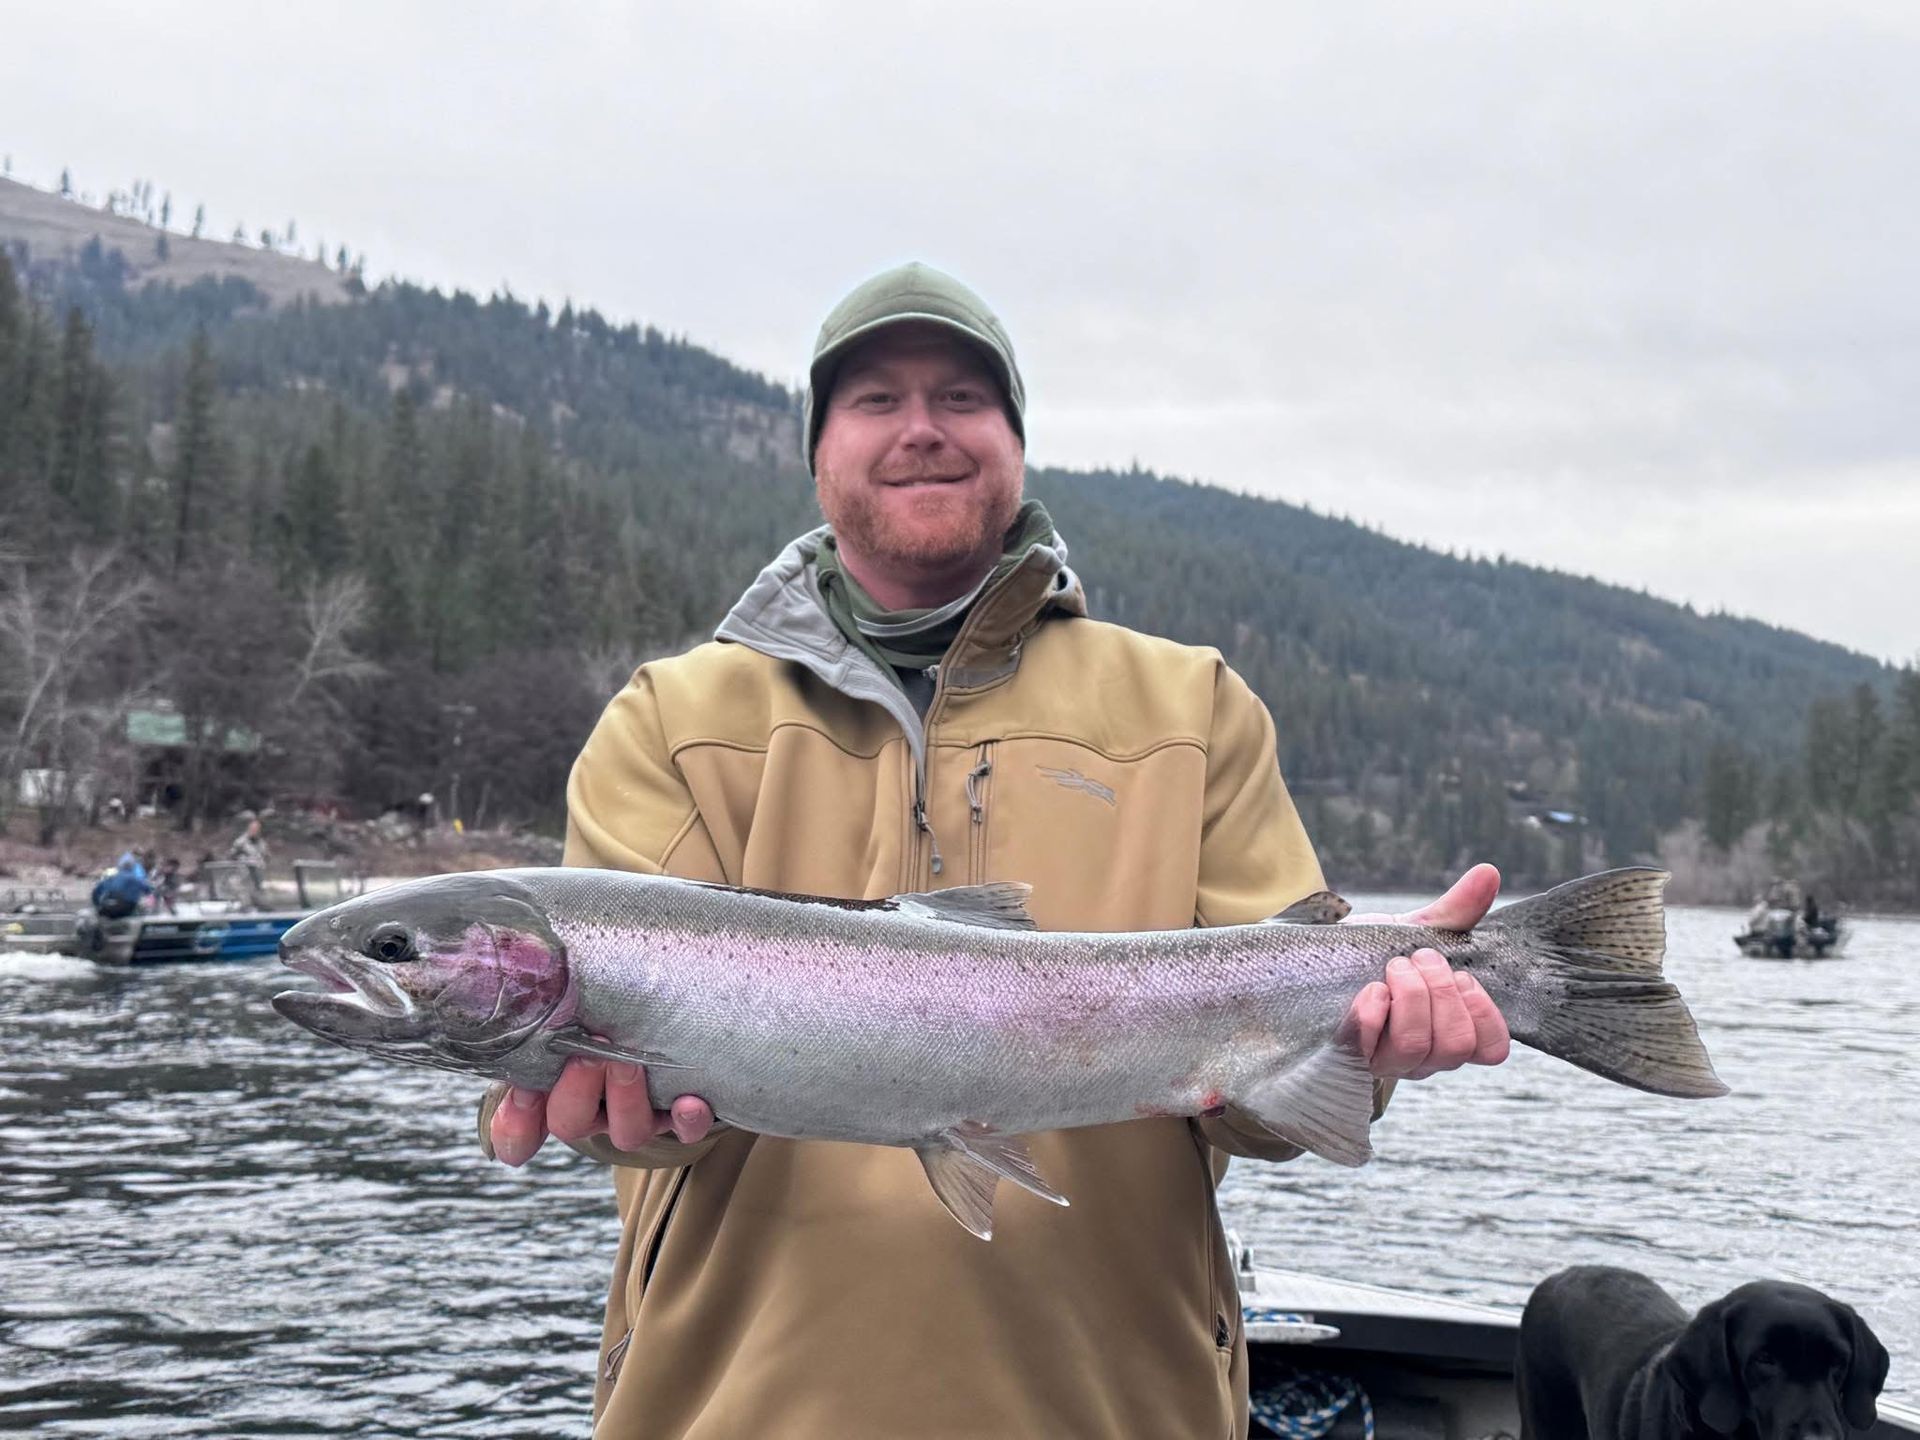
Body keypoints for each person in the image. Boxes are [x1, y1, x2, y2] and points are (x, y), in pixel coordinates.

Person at [482, 263, 1512, 1439]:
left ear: (1016, 440)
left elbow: (1267, 1115)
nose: (921, 430)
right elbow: (601, 1100)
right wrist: (602, 1117)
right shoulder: (668, 721)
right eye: (874, 399)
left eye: (963, 397)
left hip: (1118, 1411)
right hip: (729, 1409)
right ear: (816, 452)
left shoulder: (1191, 705)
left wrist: (1373, 1048)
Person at [90, 852, 151, 921]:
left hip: (108, 910)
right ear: (132, 867)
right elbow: (148, 890)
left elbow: (95, 892)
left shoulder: (111, 878)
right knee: (140, 908)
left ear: (120, 867)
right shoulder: (135, 879)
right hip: (126, 911)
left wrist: (97, 905)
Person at [228, 814, 268, 900]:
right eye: (253, 829)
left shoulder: (261, 843)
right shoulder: (240, 842)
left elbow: (265, 856)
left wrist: (262, 862)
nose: (255, 831)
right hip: (243, 877)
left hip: (257, 877)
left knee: (259, 899)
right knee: (244, 897)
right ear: (248, 829)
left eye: (257, 829)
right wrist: (244, 861)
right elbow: (231, 856)